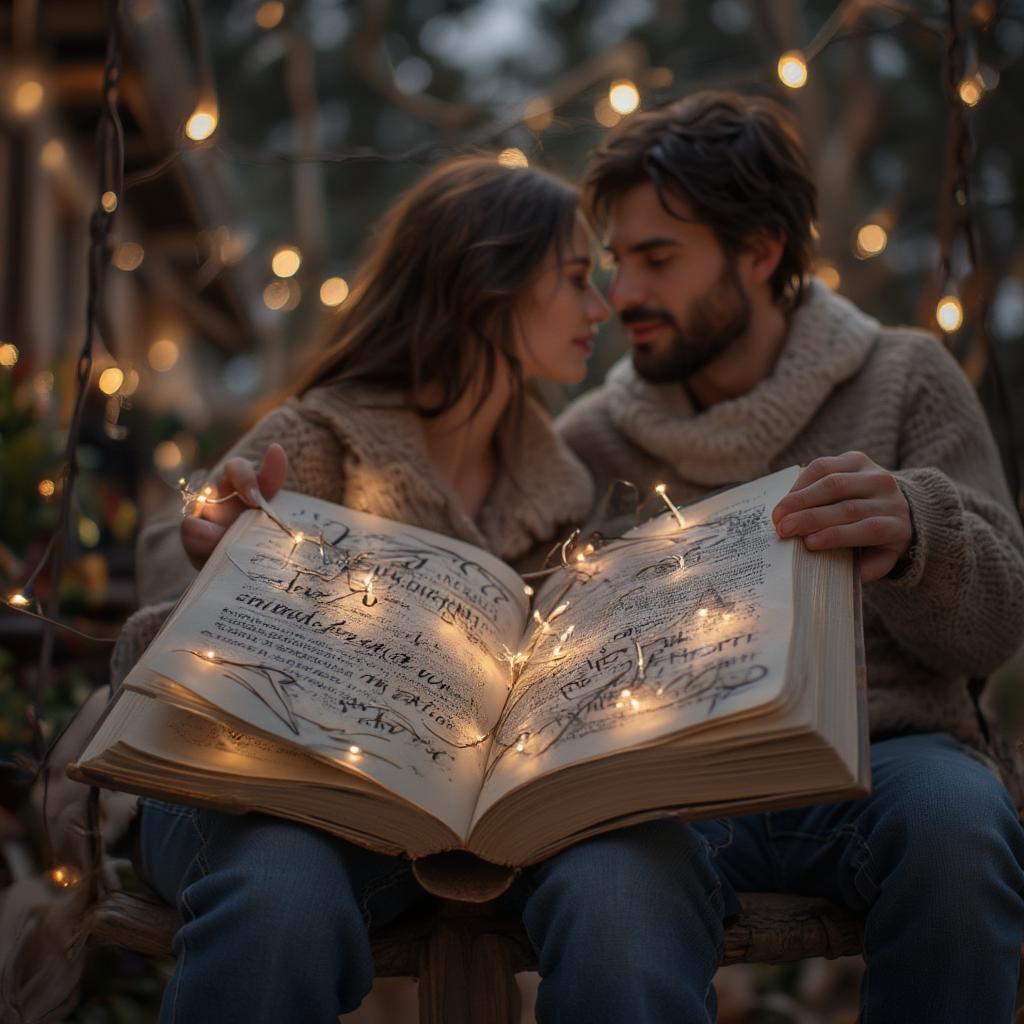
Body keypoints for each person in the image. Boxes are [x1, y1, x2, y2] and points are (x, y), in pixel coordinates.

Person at [119, 155, 721, 1024]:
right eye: (576, 278)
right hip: (268, 796)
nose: (602, 308)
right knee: (279, 893)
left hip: (483, 830)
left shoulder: (561, 489)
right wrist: (212, 556)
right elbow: (174, 639)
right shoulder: (317, 440)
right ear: (486, 283)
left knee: (632, 883)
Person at [557, 90, 1024, 1022]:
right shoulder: (590, 442)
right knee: (604, 886)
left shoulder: (905, 377)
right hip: (668, 787)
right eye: (616, 264)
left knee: (957, 830)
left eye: (657, 259)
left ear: (762, 250)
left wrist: (915, 538)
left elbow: (1001, 623)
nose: (624, 298)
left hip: (884, 759)